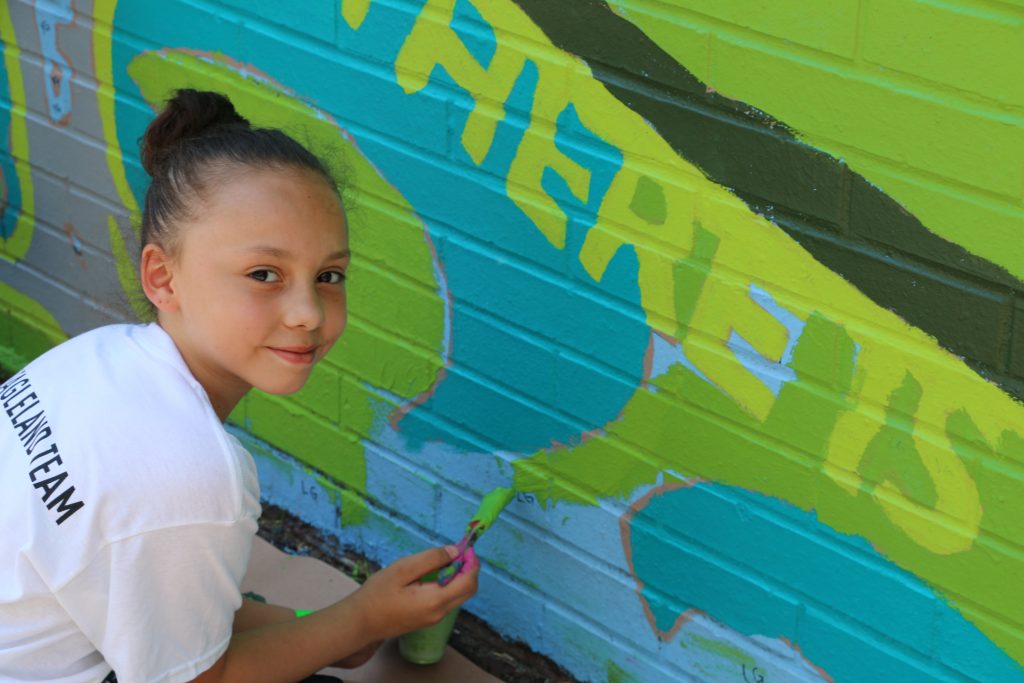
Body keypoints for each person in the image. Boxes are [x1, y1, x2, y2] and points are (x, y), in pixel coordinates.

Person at [0, 89, 479, 683]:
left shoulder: (92, 356)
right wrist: (357, 624)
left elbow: (144, 587)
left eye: (329, 275)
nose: (307, 312)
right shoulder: (192, 474)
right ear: (162, 277)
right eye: (263, 274)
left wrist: (335, 620)